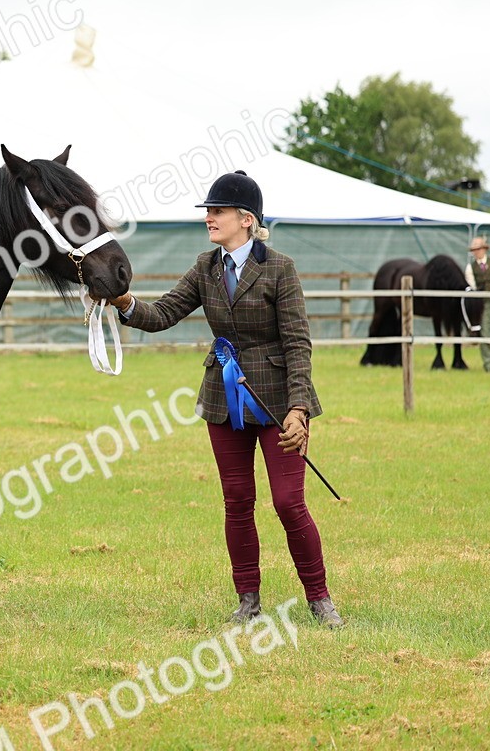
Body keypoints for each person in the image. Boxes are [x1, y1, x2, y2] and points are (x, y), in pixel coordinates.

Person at [109, 171, 343, 628]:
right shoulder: (205, 267)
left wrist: (298, 409)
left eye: (217, 211)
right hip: (223, 398)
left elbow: (298, 343)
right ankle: (248, 599)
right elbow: (163, 314)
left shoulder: (280, 268)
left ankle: (319, 598)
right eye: (208, 212)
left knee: (288, 503)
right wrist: (124, 302)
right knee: (236, 500)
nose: (209, 218)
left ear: (246, 219)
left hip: (278, 402)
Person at [464, 235, 490, 373]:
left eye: (478, 249)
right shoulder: (470, 268)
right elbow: (472, 287)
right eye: (474, 250)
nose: (476, 252)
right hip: (484, 304)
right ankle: (488, 365)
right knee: (485, 334)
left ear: (484, 249)